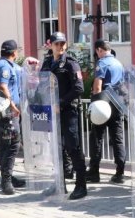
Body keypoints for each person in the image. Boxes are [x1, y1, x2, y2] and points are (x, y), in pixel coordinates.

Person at [41, 32, 87, 200]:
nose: (60, 47)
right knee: (56, 148)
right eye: (57, 44)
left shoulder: (70, 64)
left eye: (62, 44)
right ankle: (59, 184)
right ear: (51, 45)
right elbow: (42, 83)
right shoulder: (47, 63)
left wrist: (60, 103)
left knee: (73, 148)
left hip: (68, 111)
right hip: (53, 113)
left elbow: (78, 88)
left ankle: (81, 185)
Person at [86, 39, 127, 184]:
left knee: (96, 137)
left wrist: (94, 104)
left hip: (103, 104)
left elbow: (98, 87)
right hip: (118, 103)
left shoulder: (102, 63)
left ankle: (94, 172)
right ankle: (120, 172)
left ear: (99, 50)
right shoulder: (118, 63)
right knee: (117, 138)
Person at [0, 40, 28, 194]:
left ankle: (8, 177)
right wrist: (12, 104)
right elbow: (3, 86)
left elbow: (21, 72)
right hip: (7, 112)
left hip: (4, 111)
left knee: (6, 144)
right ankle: (6, 180)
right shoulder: (4, 66)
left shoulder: (2, 64)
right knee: (13, 144)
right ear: (14, 53)